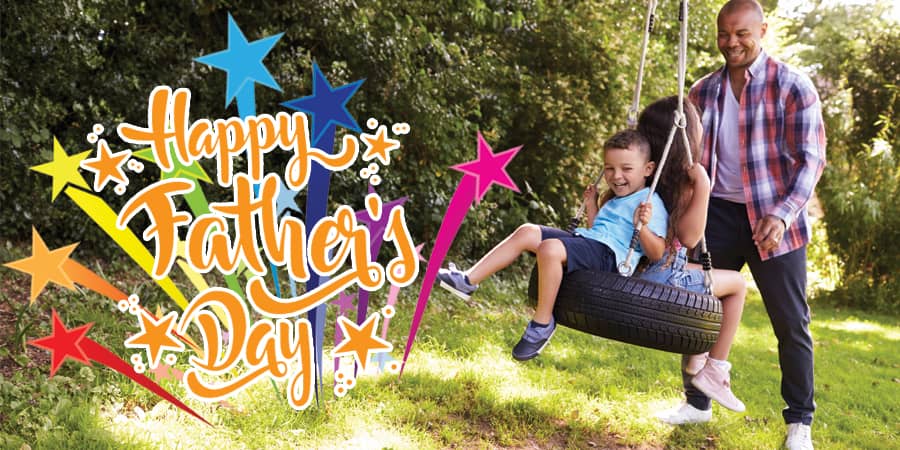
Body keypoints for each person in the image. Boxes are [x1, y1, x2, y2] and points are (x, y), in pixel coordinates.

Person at [653, 2, 826, 450]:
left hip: (773, 216)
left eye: (742, 33)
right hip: (718, 216)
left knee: (791, 323)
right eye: (724, 34)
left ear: (762, 30)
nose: (732, 42)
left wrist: (784, 213)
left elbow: (812, 161)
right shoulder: (703, 90)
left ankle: (799, 423)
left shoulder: (793, 86)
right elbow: (687, 159)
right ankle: (696, 402)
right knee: (697, 308)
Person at [437, 129, 668, 361]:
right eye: (609, 168)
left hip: (612, 257)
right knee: (527, 231)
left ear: (648, 169)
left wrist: (644, 226)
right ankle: (467, 281)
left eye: (626, 169)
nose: (616, 176)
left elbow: (657, 252)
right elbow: (598, 228)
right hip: (590, 241)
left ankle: (542, 324)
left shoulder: (649, 202)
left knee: (550, 249)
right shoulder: (616, 198)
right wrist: (591, 204)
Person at [634, 96, 748, 413]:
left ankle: (697, 358)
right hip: (664, 278)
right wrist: (704, 186)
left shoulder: (638, 174)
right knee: (737, 284)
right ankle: (715, 369)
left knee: (704, 273)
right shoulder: (685, 180)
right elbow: (689, 236)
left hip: (634, 272)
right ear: (685, 137)